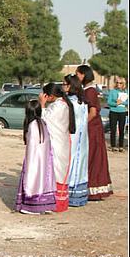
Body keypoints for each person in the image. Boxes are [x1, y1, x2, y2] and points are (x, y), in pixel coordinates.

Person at [76, 64, 113, 200]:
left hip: (92, 129)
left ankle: (94, 190)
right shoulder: (85, 90)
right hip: (90, 129)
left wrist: (81, 124)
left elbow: (92, 112)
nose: (76, 77)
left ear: (83, 74)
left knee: (93, 158)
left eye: (78, 74)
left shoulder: (90, 91)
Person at [38, 83, 75, 213]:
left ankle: (54, 202)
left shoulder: (58, 106)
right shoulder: (62, 104)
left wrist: (42, 104)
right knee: (58, 171)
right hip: (61, 142)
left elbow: (45, 120)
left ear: (51, 95)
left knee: (55, 171)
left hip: (57, 144)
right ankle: (57, 201)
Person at [15, 99, 56, 215]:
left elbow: (31, 148)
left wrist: (28, 165)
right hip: (45, 160)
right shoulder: (43, 123)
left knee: (33, 180)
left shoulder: (32, 126)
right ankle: (45, 205)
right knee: (44, 180)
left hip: (35, 160)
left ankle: (31, 206)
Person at [63, 74, 89, 207]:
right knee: (79, 163)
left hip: (72, 138)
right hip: (81, 140)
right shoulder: (82, 102)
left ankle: (67, 194)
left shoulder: (70, 103)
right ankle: (76, 195)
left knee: (70, 162)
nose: (63, 86)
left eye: (65, 84)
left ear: (70, 86)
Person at [107, 77, 128, 152]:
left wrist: (121, 102)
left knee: (121, 129)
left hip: (122, 112)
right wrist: (116, 103)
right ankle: (113, 146)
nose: (118, 84)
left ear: (123, 84)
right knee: (113, 129)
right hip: (113, 112)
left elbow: (127, 102)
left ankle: (121, 146)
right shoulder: (112, 91)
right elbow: (109, 102)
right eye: (117, 83)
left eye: (120, 83)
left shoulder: (126, 92)